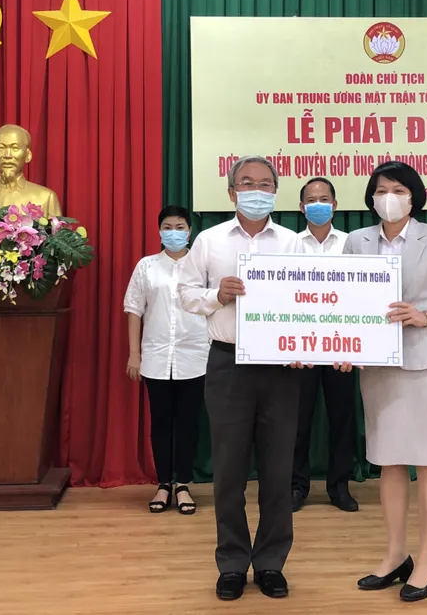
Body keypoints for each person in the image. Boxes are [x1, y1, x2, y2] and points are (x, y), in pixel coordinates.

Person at [340, 161, 427, 603]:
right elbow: (343, 301)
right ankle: (395, 555)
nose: (390, 197)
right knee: (390, 461)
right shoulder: (356, 241)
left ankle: (426, 560)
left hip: (426, 362)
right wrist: (345, 344)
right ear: (371, 197)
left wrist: (425, 316)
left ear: (414, 196)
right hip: (377, 365)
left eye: (399, 190)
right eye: (382, 189)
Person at [177, 156, 302, 602]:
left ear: (275, 193)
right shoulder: (209, 241)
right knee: (228, 471)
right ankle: (231, 562)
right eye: (247, 183)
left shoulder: (292, 243)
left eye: (265, 184)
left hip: (281, 367)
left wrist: (304, 345)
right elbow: (186, 294)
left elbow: (308, 301)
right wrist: (217, 295)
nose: (256, 191)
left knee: (277, 470)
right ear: (231, 192)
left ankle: (271, 562)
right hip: (228, 363)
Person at [123, 206, 210, 516]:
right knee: (160, 423)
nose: (174, 232)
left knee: (188, 423)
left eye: (180, 226)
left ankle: (183, 484)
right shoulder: (147, 266)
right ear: (159, 231)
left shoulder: (202, 267)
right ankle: (163, 484)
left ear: (190, 231)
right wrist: (134, 354)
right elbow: (134, 310)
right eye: (168, 227)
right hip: (156, 357)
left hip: (195, 357)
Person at [290, 177, 358, 513]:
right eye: (312, 200)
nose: (318, 204)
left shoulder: (352, 244)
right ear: (301, 207)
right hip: (299, 346)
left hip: (341, 346)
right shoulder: (289, 244)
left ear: (335, 204)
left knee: (342, 418)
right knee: (297, 420)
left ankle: (339, 486)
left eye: (325, 198)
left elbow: (362, 294)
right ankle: (296, 486)